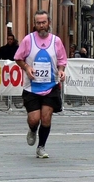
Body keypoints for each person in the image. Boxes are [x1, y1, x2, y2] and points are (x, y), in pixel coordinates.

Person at [14, 10, 67, 158]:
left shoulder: (56, 41)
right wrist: (27, 67)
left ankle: (41, 147)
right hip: (32, 87)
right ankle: (32, 130)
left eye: (44, 22)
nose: (41, 25)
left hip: (51, 86)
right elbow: (18, 58)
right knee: (34, 119)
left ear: (48, 23)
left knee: (46, 117)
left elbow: (62, 61)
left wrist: (61, 71)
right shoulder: (28, 40)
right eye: (38, 23)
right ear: (35, 24)